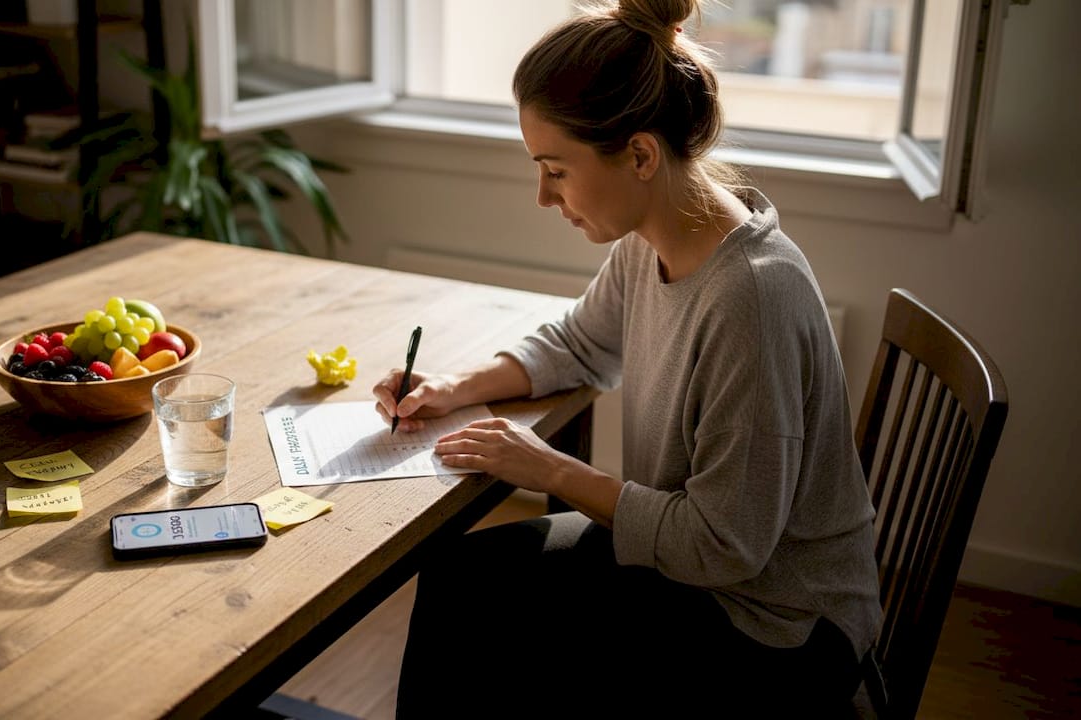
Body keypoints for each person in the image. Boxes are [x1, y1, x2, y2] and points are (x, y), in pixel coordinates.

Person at [372, 0, 882, 716]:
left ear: (640, 155)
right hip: (705, 573)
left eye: (555, 169)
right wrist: (453, 387)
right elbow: (580, 343)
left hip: (780, 627)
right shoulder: (656, 237)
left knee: (507, 647)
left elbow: (722, 547)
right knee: (460, 578)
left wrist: (547, 468)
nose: (543, 196)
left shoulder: (751, 299)